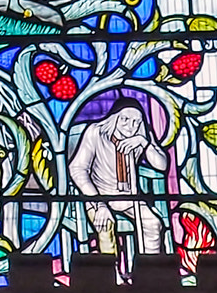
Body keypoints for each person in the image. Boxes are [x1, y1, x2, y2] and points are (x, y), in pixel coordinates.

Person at [68, 99, 170, 258]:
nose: (131, 126)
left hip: (129, 198)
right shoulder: (96, 132)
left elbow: (162, 165)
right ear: (114, 118)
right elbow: (77, 169)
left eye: (136, 122)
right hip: (97, 195)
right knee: (105, 225)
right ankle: (111, 276)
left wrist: (144, 143)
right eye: (125, 120)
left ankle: (150, 270)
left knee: (152, 224)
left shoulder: (141, 135)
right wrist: (99, 204)